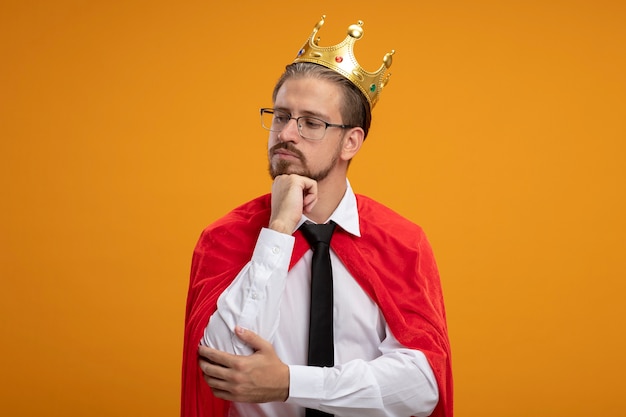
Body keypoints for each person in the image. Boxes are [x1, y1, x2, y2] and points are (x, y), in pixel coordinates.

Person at [182, 15, 453, 417]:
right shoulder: (225, 237)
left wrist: (291, 383)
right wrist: (278, 230)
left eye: (310, 122)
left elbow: (422, 383)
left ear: (350, 141)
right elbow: (222, 367)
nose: (286, 134)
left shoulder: (402, 241)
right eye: (280, 116)